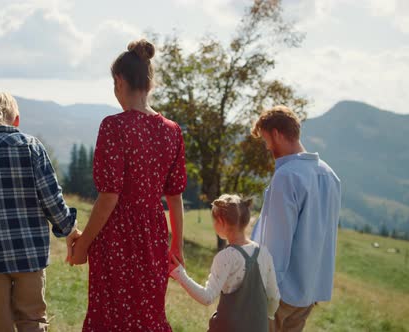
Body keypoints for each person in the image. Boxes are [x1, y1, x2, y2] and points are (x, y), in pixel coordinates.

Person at [68, 39, 187, 331]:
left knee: (111, 318)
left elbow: (109, 197)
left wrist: (82, 246)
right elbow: (174, 197)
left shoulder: (114, 126)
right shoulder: (172, 131)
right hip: (154, 238)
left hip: (117, 237)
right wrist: (177, 245)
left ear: (119, 81)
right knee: (148, 316)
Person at [0, 92, 80, 332]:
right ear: (16, 120)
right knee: (32, 321)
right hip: (30, 254)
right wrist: (69, 229)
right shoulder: (32, 147)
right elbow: (50, 196)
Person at [250, 105, 341, 332]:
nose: (267, 147)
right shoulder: (330, 175)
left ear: (277, 134)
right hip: (308, 291)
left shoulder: (287, 176)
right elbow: (326, 235)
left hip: (279, 293)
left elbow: (276, 241)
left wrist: (264, 289)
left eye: (266, 140)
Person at [169, 194, 280, 332]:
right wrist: (266, 316)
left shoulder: (227, 257)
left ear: (221, 222)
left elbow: (207, 298)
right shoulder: (264, 253)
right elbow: (274, 297)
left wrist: (179, 274)